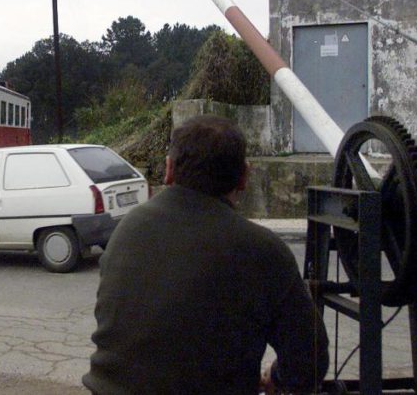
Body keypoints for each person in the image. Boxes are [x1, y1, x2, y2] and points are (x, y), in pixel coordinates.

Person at [82, 115, 328, 395]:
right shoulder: (262, 249)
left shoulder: (127, 228)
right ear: (244, 177)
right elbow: (309, 362)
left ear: (169, 170)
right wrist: (277, 377)